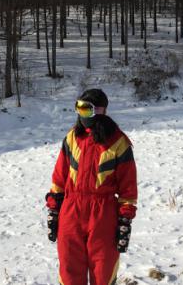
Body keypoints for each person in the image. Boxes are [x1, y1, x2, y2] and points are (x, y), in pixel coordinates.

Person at [45, 88, 138, 285]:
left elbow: (128, 189)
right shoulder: (72, 138)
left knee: (103, 272)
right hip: (71, 212)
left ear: (100, 111)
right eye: (78, 108)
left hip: (103, 215)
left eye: (86, 110)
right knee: (70, 272)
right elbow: (59, 178)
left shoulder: (118, 142)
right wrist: (54, 209)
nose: (81, 115)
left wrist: (125, 220)